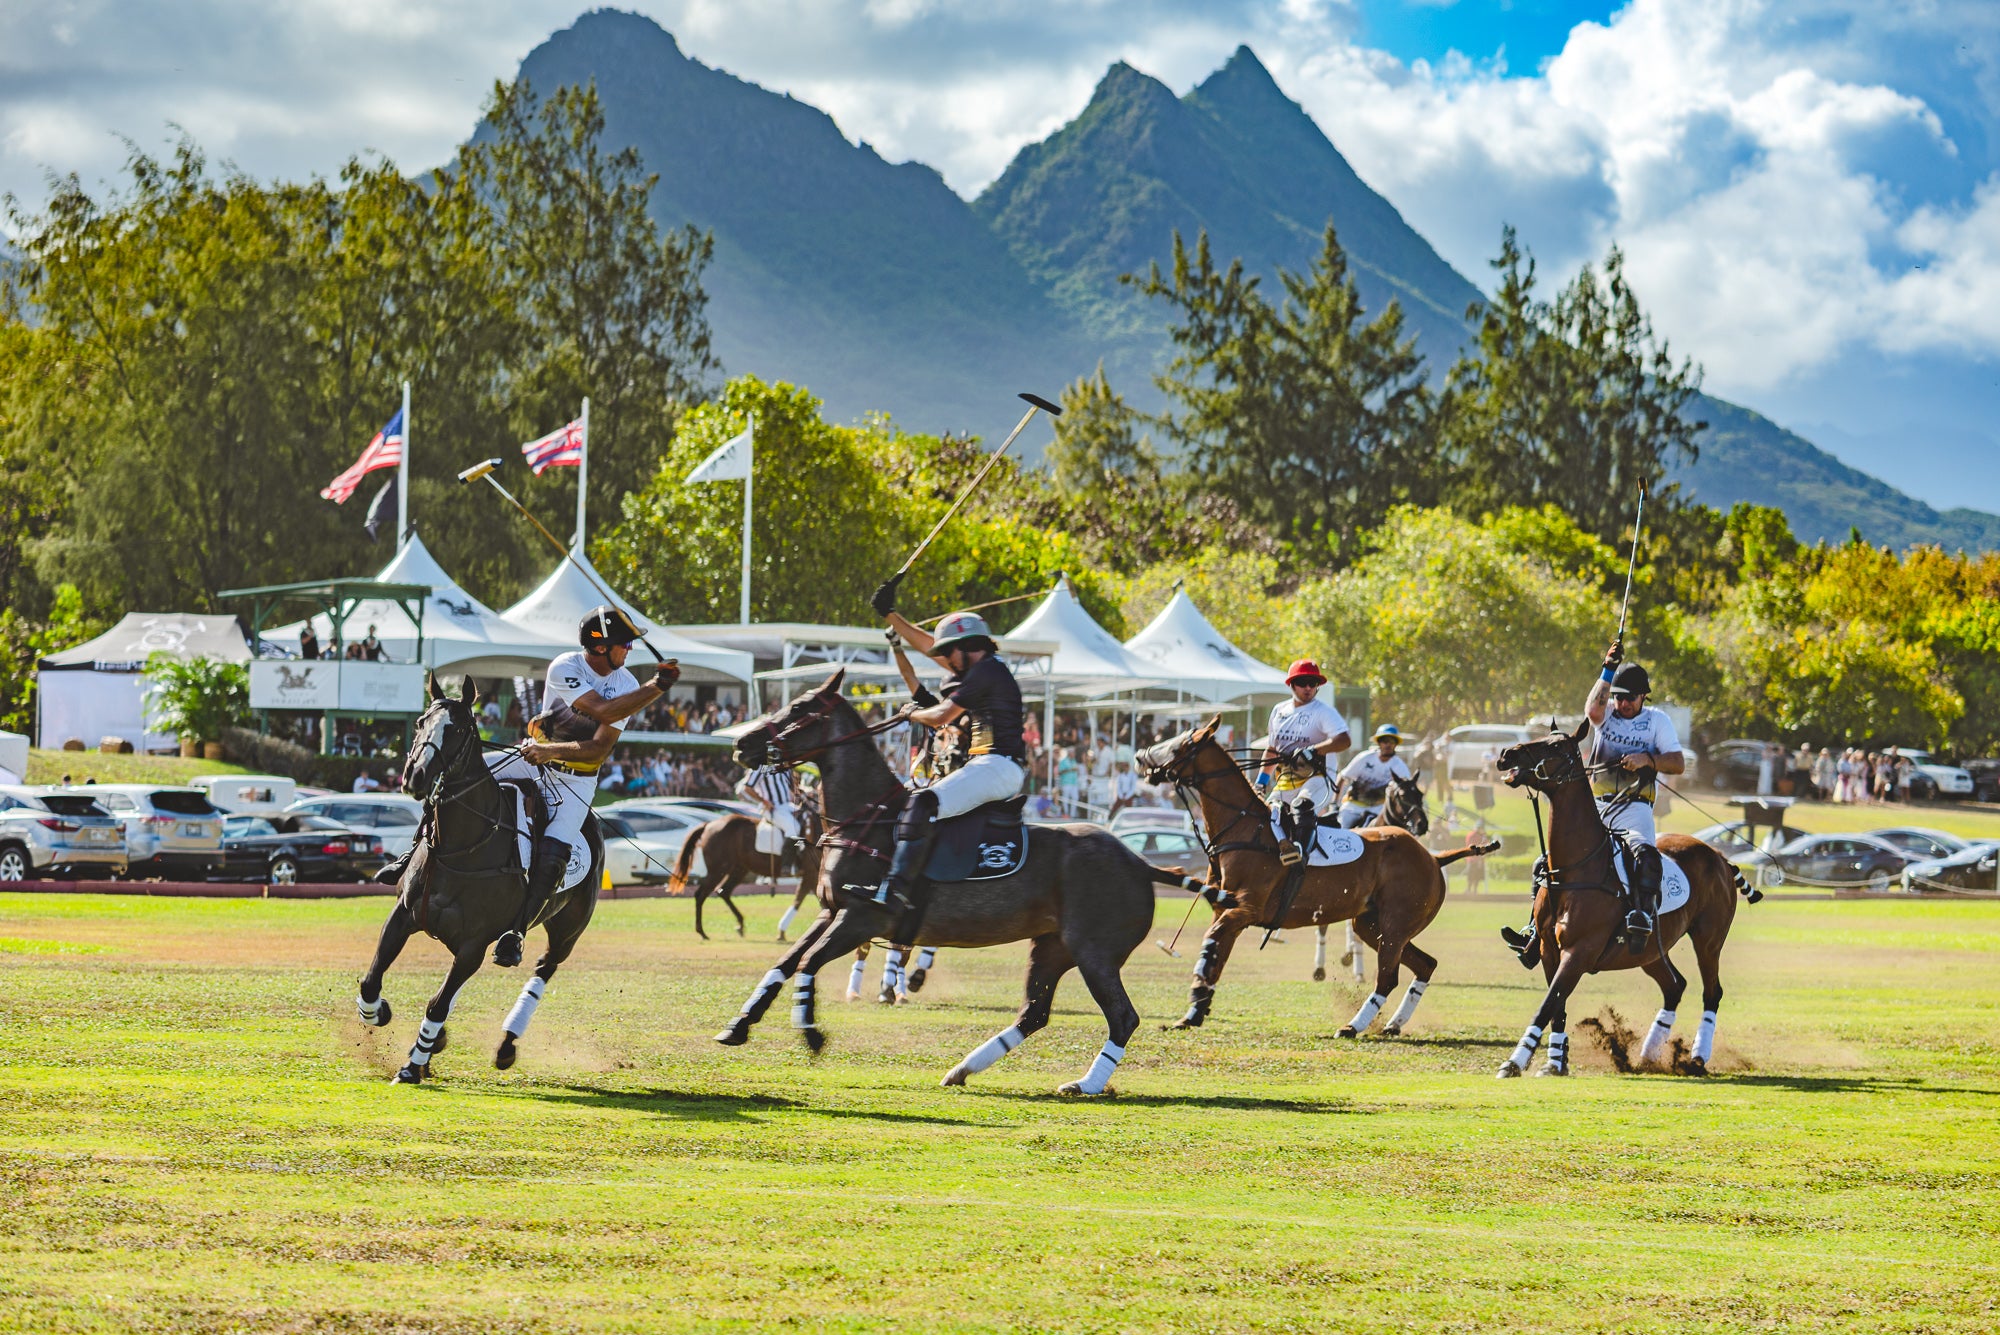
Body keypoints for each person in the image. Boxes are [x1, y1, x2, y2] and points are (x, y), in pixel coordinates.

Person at [373, 606, 677, 967]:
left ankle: (515, 932)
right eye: (624, 642)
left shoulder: (626, 684)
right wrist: (657, 686)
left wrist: (549, 752)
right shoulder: (565, 667)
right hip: (531, 757)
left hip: (574, 781)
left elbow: (598, 747)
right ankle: (410, 857)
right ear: (599, 645)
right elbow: (602, 710)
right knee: (453, 781)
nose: (629, 649)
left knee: (555, 850)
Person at [1502, 641, 1685, 964]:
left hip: (1634, 806)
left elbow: (1678, 763)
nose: (1623, 703)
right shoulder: (1606, 715)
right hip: (1597, 805)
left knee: (1644, 854)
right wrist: (1607, 669)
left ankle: (1641, 916)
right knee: (1545, 862)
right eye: (1618, 696)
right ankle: (1535, 929)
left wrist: (1648, 759)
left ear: (1644, 696)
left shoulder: (1658, 722)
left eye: (1629, 697)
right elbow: (1592, 711)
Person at [869, 579, 1027, 911]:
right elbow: (930, 645)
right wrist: (890, 615)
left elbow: (942, 716)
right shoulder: (981, 668)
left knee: (924, 803)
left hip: (997, 766)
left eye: (950, 653)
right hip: (990, 766)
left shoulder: (986, 672)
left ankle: (896, 888)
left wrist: (913, 713)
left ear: (968, 646)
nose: (946, 661)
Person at [1257, 659, 1352, 864]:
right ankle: (1280, 849)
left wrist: (1314, 750)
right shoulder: (1279, 711)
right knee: (1271, 813)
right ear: (1291, 685)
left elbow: (1344, 740)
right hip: (1285, 780)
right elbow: (1272, 751)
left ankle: (1300, 854)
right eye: (1303, 683)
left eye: (1313, 683)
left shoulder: (1323, 712)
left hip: (1318, 778)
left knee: (1301, 805)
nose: (1308, 688)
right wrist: (1261, 782)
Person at [1336, 724, 1413, 829]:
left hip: (1379, 808)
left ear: (1396, 744)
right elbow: (1343, 776)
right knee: (1341, 829)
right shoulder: (1364, 758)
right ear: (1379, 743)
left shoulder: (1400, 766)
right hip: (1354, 805)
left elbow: (1407, 789)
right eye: (1385, 741)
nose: (1388, 745)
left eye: (1392, 742)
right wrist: (1334, 803)